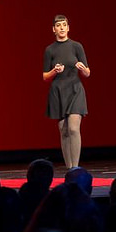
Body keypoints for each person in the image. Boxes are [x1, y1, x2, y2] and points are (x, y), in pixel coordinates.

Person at [42, 14, 90, 169]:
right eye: (58, 25)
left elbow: (88, 72)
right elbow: (45, 77)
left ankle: (75, 168)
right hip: (58, 91)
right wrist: (55, 71)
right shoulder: (50, 50)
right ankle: (69, 168)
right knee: (64, 131)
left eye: (64, 25)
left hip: (75, 90)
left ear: (68, 28)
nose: (61, 27)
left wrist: (83, 69)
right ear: (53, 29)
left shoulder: (77, 46)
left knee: (73, 128)